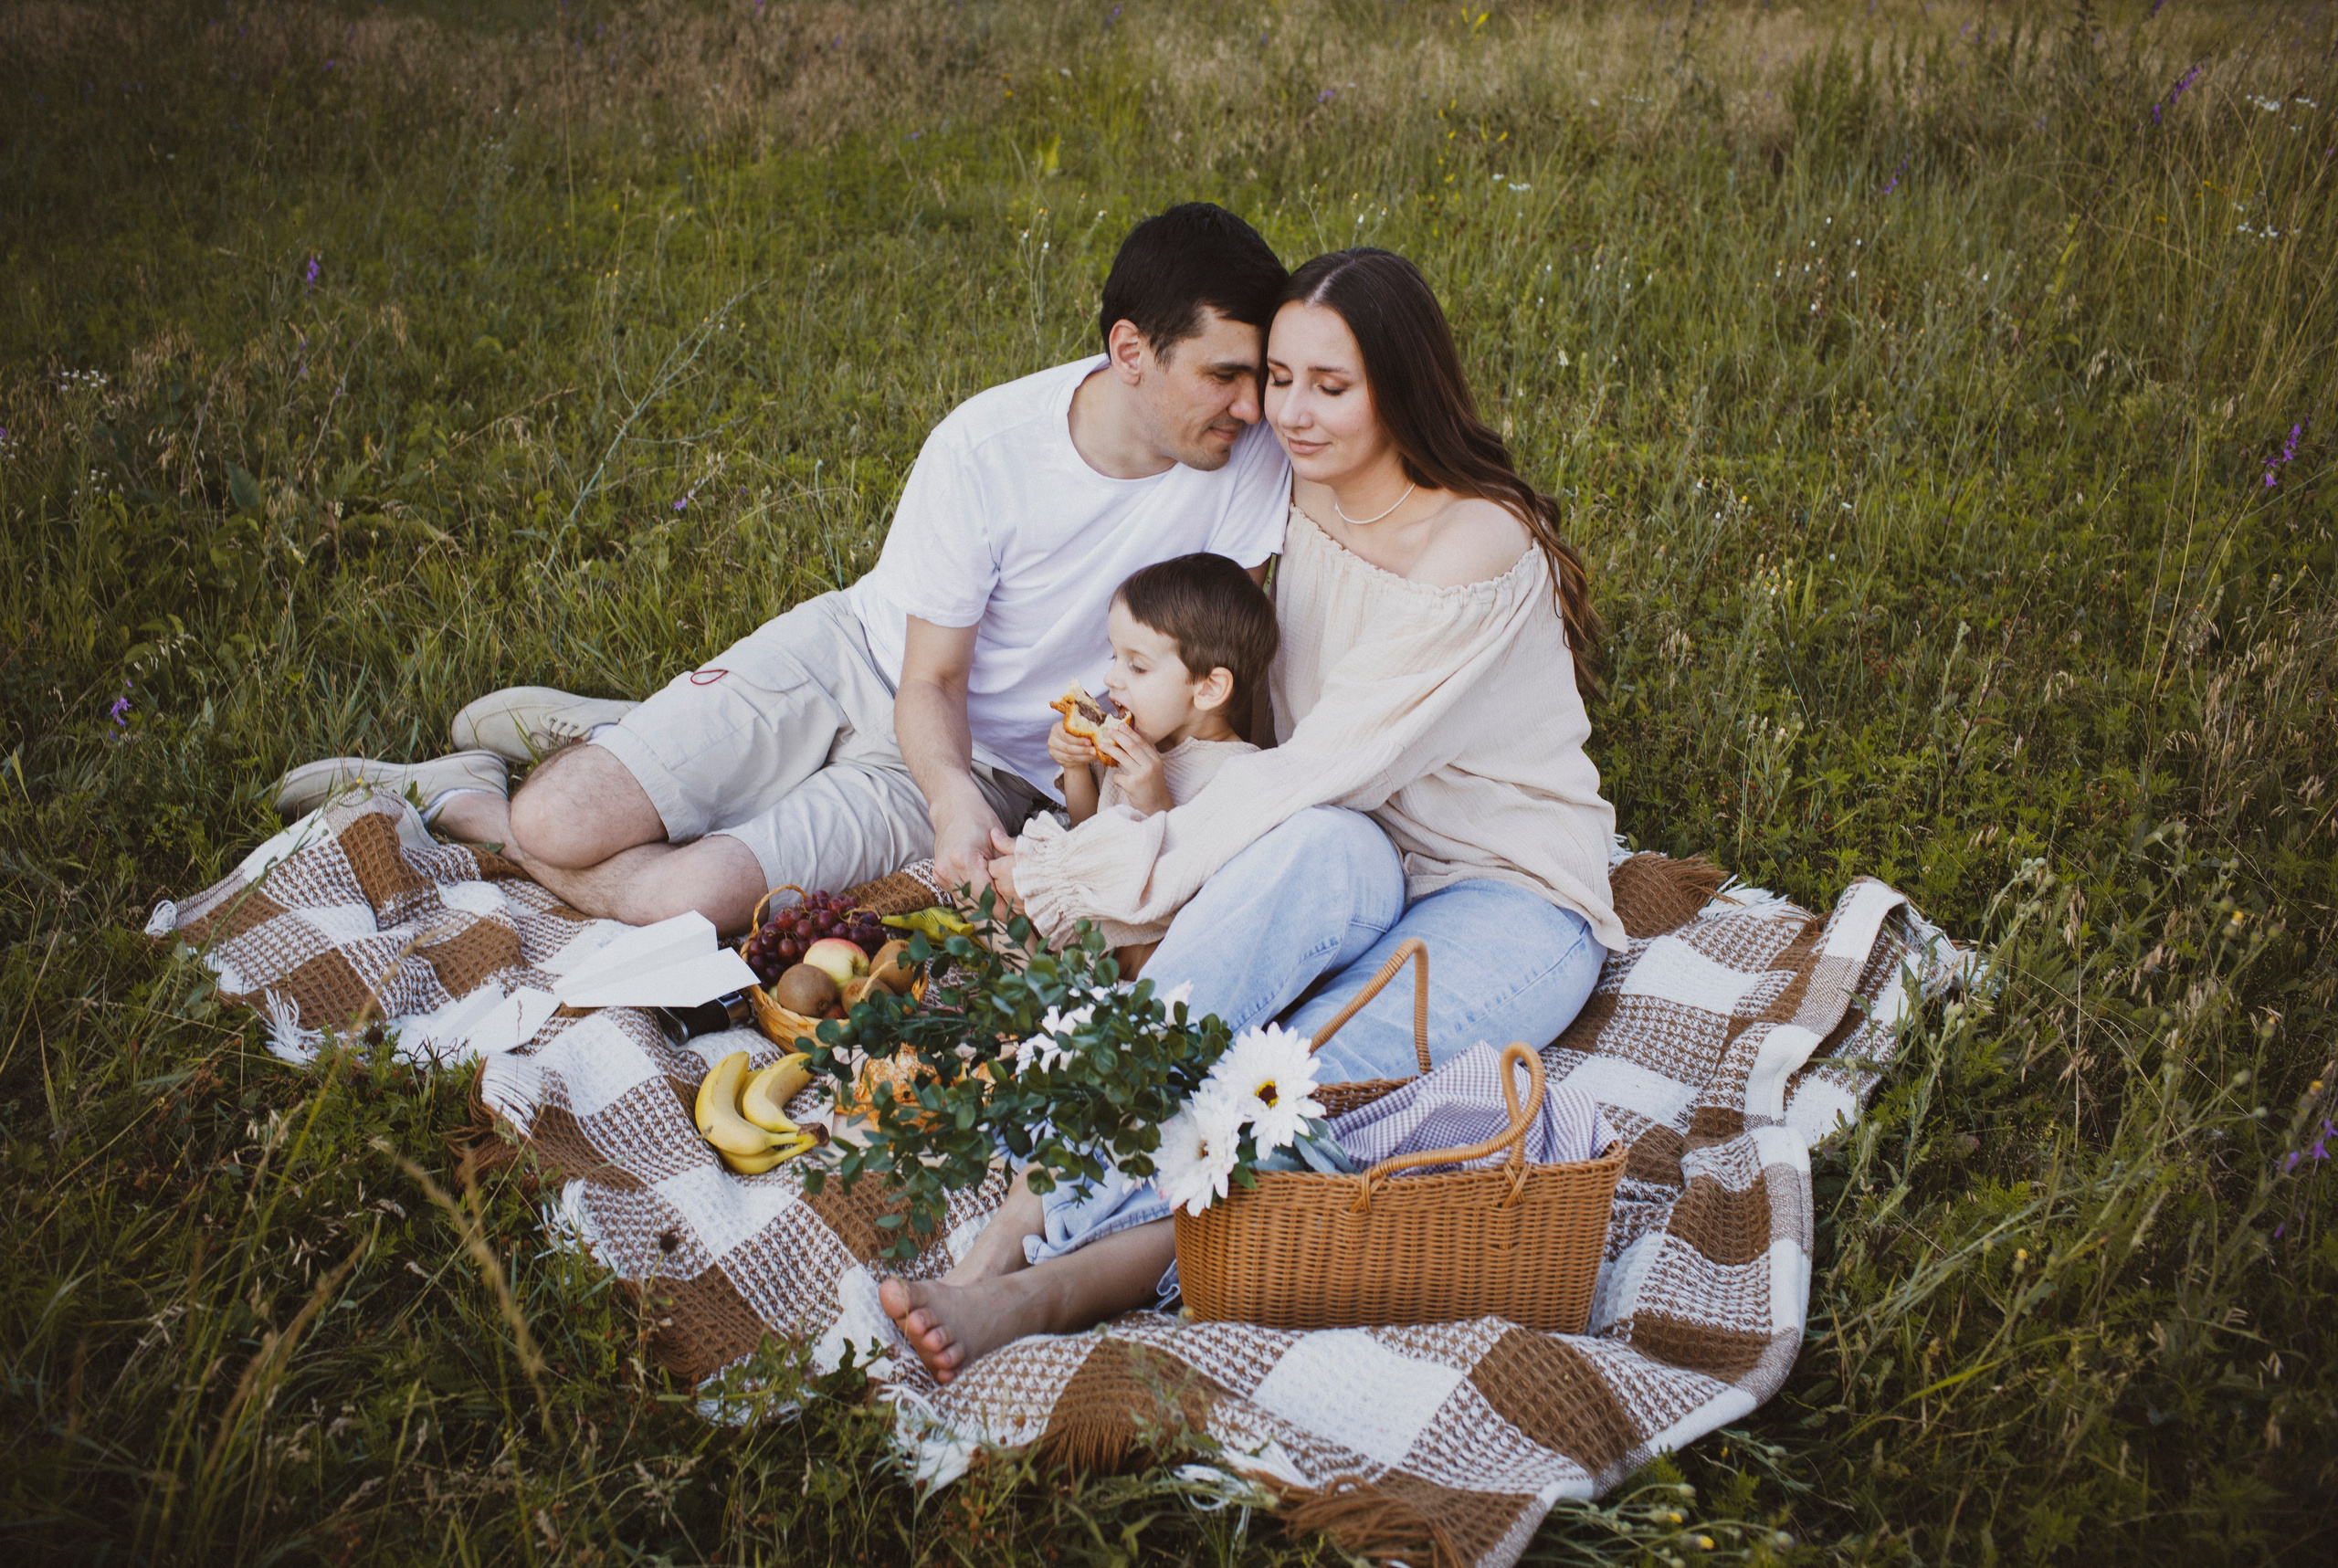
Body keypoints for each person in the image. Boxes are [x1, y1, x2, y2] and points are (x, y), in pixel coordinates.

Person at [879, 247, 1626, 1385]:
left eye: (1332, 386)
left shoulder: (1472, 544)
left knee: (1280, 1085)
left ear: (1402, 386)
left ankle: (1038, 1271)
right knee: (1223, 976)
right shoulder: (1299, 483)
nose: (1292, 413)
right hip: (1347, 845)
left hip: (1506, 895)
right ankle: (1034, 1206)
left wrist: (1086, 880)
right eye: (1279, 379)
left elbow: (1318, 761)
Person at [269, 205, 1297, 934]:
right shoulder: (988, 447)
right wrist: (950, 804)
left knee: (686, 900)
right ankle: (588, 758)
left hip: (993, 765)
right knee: (560, 821)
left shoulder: (1246, 466)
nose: (1253, 408)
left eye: (1259, 379)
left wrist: (1003, 806)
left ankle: (466, 805)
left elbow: (1222, 671)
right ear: (1129, 351)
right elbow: (928, 678)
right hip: (858, 659)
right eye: (1224, 375)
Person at [1045, 551, 1276, 975]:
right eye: (1114, 658)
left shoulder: (1237, 775)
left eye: (1137, 666)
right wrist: (1077, 767)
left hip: (1156, 943)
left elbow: (1197, 892)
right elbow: (1088, 834)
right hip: (1097, 918)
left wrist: (1156, 803)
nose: (1112, 679)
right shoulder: (1134, 742)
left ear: (1208, 689)